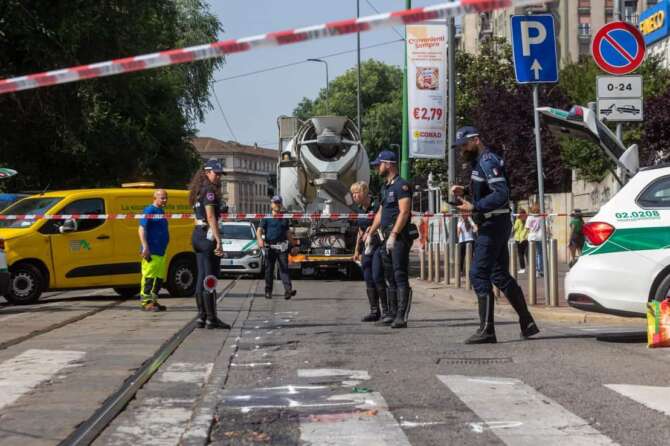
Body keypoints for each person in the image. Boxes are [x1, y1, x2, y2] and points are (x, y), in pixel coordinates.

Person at [451, 126, 539, 344]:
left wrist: (475, 206)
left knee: (478, 274)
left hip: (493, 224)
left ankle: (487, 330)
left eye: (464, 144)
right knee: (499, 275)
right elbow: (489, 189)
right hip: (493, 223)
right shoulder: (480, 162)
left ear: (476, 140)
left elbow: (501, 194)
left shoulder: (487, 161)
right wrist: (466, 191)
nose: (462, 149)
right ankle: (527, 322)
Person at [366, 150, 412, 329]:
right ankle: (391, 313)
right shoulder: (386, 187)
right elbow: (381, 213)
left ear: (389, 164)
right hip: (385, 237)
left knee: (400, 275)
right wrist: (371, 232)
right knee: (389, 276)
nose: (377, 167)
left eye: (379, 164)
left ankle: (401, 315)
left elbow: (404, 211)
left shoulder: (402, 186)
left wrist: (394, 234)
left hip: (398, 238)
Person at [188, 158, 230, 329]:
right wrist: (219, 241)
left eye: (220, 174)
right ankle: (212, 318)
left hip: (198, 235)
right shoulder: (210, 192)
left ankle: (202, 316)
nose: (219, 177)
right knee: (210, 277)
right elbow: (211, 216)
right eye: (216, 173)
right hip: (207, 236)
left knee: (201, 277)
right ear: (207, 172)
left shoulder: (198, 191)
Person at [351, 181, 388, 322]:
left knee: (377, 275)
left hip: (378, 245)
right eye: (353, 193)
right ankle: (374, 310)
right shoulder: (359, 210)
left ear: (365, 192)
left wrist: (370, 231)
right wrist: (356, 250)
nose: (354, 196)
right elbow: (360, 231)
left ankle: (386, 310)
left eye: (357, 192)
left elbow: (380, 222)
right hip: (366, 247)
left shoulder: (377, 205)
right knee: (368, 277)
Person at [257, 195, 298, 300]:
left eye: (279, 203)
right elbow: (259, 231)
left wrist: (294, 245)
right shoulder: (267, 218)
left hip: (282, 247)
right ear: (271, 204)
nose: (277, 205)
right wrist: (260, 240)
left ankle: (288, 291)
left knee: (284, 269)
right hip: (270, 247)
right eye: (275, 203)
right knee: (269, 270)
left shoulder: (284, 218)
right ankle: (268, 291)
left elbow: (288, 233)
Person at [138, 189, 169, 312]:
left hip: (161, 251)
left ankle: (154, 300)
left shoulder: (161, 211)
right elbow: (141, 228)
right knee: (149, 277)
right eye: (162, 198)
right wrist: (145, 246)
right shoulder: (149, 210)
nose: (165, 200)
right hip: (151, 250)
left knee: (159, 277)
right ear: (154, 198)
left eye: (166, 197)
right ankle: (146, 302)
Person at [525, 203, 544, 277]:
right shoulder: (541, 217)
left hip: (532, 237)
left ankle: (536, 270)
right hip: (540, 237)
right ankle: (540, 269)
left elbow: (527, 228)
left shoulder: (530, 217)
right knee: (540, 254)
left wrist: (524, 236)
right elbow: (545, 227)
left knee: (533, 254)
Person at [513, 208, 529, 274]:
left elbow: (514, 228)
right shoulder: (527, 219)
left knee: (520, 254)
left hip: (518, 239)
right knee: (527, 254)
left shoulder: (518, 220)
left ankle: (523, 268)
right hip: (525, 238)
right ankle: (531, 266)